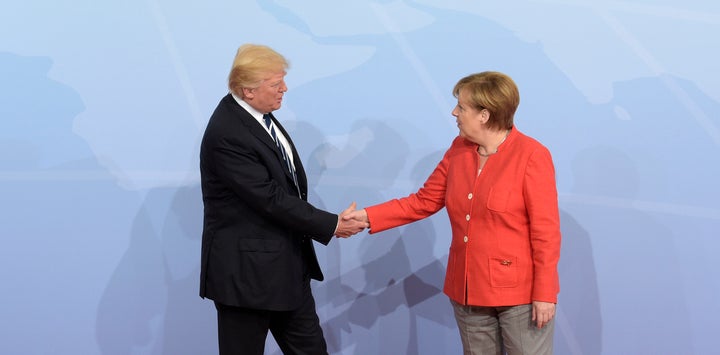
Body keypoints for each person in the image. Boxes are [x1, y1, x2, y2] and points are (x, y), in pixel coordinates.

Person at [344, 71, 561, 354]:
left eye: (461, 106)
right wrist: (366, 216)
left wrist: (545, 293)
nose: (454, 112)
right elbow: (423, 201)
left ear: (484, 115)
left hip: (519, 296)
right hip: (468, 290)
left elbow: (546, 231)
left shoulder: (532, 155)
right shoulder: (458, 150)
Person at [199, 44, 368, 355]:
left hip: (286, 271)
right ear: (248, 90)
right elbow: (270, 198)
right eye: (276, 84)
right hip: (247, 279)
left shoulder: (260, 117)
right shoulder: (228, 132)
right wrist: (331, 224)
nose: (285, 89)